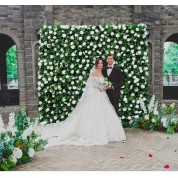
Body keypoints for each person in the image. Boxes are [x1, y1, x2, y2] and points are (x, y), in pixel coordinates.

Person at [37, 58, 126, 148]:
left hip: (101, 96)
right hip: (96, 95)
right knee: (94, 114)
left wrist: (107, 86)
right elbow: (93, 84)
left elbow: (103, 82)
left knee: (105, 114)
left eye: (101, 63)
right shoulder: (94, 72)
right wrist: (103, 88)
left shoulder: (101, 72)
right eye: (99, 63)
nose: (101, 65)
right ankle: (93, 134)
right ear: (96, 65)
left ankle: (107, 133)